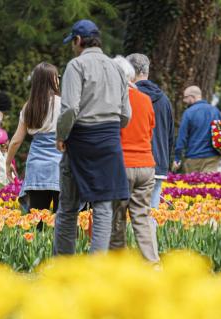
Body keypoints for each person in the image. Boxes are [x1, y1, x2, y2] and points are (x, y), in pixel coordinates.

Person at [55, 19, 131, 255]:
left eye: (72, 43)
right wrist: (110, 130)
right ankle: (97, 266)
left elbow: (69, 109)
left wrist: (61, 135)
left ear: (78, 41)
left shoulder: (76, 66)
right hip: (109, 142)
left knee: (68, 207)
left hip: (80, 140)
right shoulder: (117, 68)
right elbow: (126, 113)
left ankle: (63, 265)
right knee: (103, 206)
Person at [109, 56, 159, 263]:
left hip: (122, 165)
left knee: (117, 217)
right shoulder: (145, 99)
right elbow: (150, 130)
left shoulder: (112, 99)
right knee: (142, 217)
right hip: (146, 164)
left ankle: (118, 262)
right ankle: (152, 263)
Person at [6, 62, 61, 214]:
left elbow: (16, 141)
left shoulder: (29, 107)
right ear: (53, 80)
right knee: (62, 220)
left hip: (37, 168)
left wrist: (8, 163)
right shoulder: (64, 104)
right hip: (61, 167)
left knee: (37, 218)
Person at [126, 53, 174, 208]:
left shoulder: (128, 97)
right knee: (150, 216)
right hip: (158, 162)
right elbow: (170, 134)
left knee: (125, 214)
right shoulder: (164, 99)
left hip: (131, 161)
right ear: (147, 72)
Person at [173, 86, 221, 173]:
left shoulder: (188, 113)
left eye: (185, 97)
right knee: (209, 185)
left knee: (193, 185)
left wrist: (177, 157)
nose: (184, 101)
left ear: (192, 97)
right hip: (212, 157)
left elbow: (182, 137)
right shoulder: (215, 111)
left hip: (193, 157)